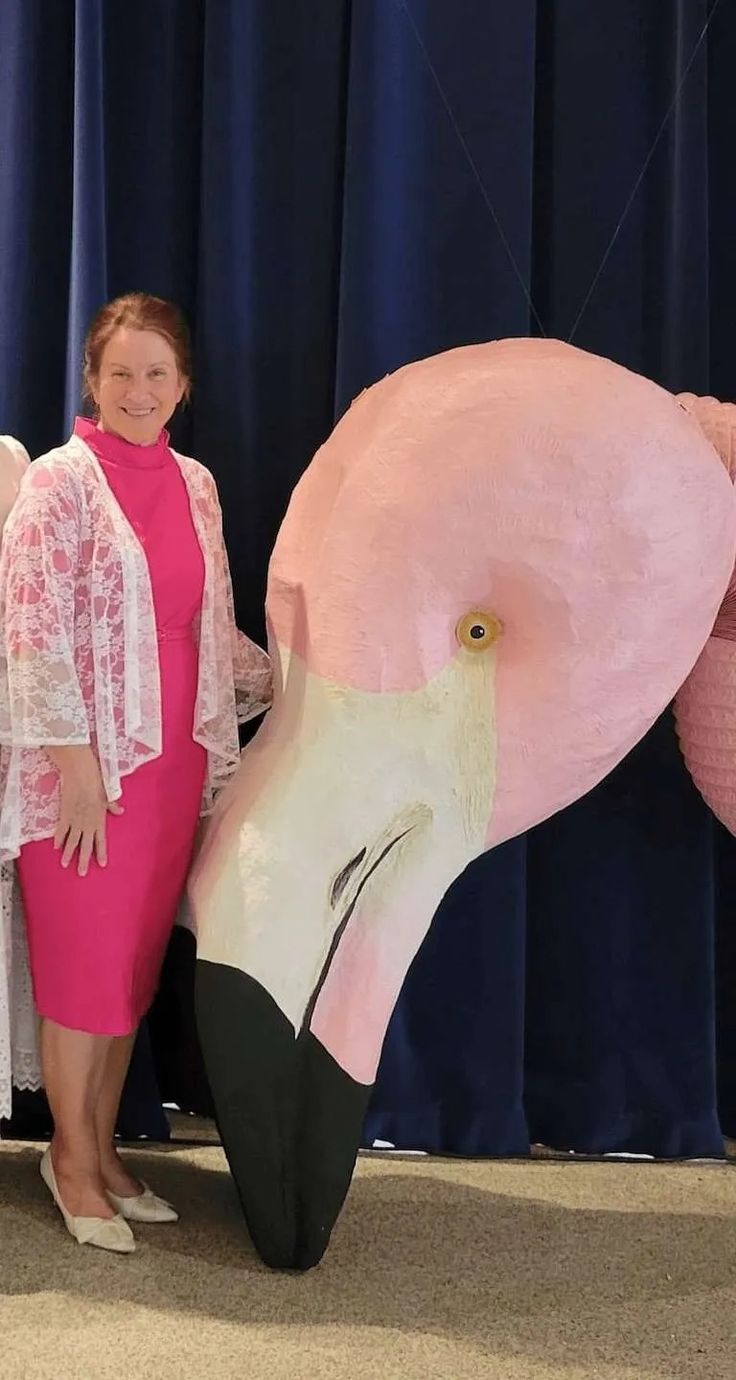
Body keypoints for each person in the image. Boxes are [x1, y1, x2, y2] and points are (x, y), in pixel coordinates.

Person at [0, 293, 272, 1252]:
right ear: (92, 380)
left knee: (126, 979)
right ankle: (69, 1162)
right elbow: (27, 636)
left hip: (173, 770)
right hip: (85, 774)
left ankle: (104, 1148)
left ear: (184, 385)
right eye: (120, 373)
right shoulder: (59, 486)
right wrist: (75, 769)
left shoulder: (196, 482)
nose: (138, 390)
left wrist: (289, 679)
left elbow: (209, 619)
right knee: (81, 978)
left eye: (157, 373)